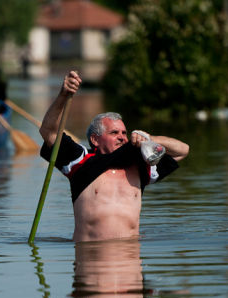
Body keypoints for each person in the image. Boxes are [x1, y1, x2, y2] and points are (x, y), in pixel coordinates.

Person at [39, 71, 190, 242]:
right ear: (95, 139)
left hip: (130, 262)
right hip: (91, 260)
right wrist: (63, 95)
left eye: (124, 133)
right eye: (114, 132)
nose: (122, 137)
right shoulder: (79, 160)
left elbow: (182, 150)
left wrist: (149, 139)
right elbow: (48, 131)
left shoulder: (141, 163)